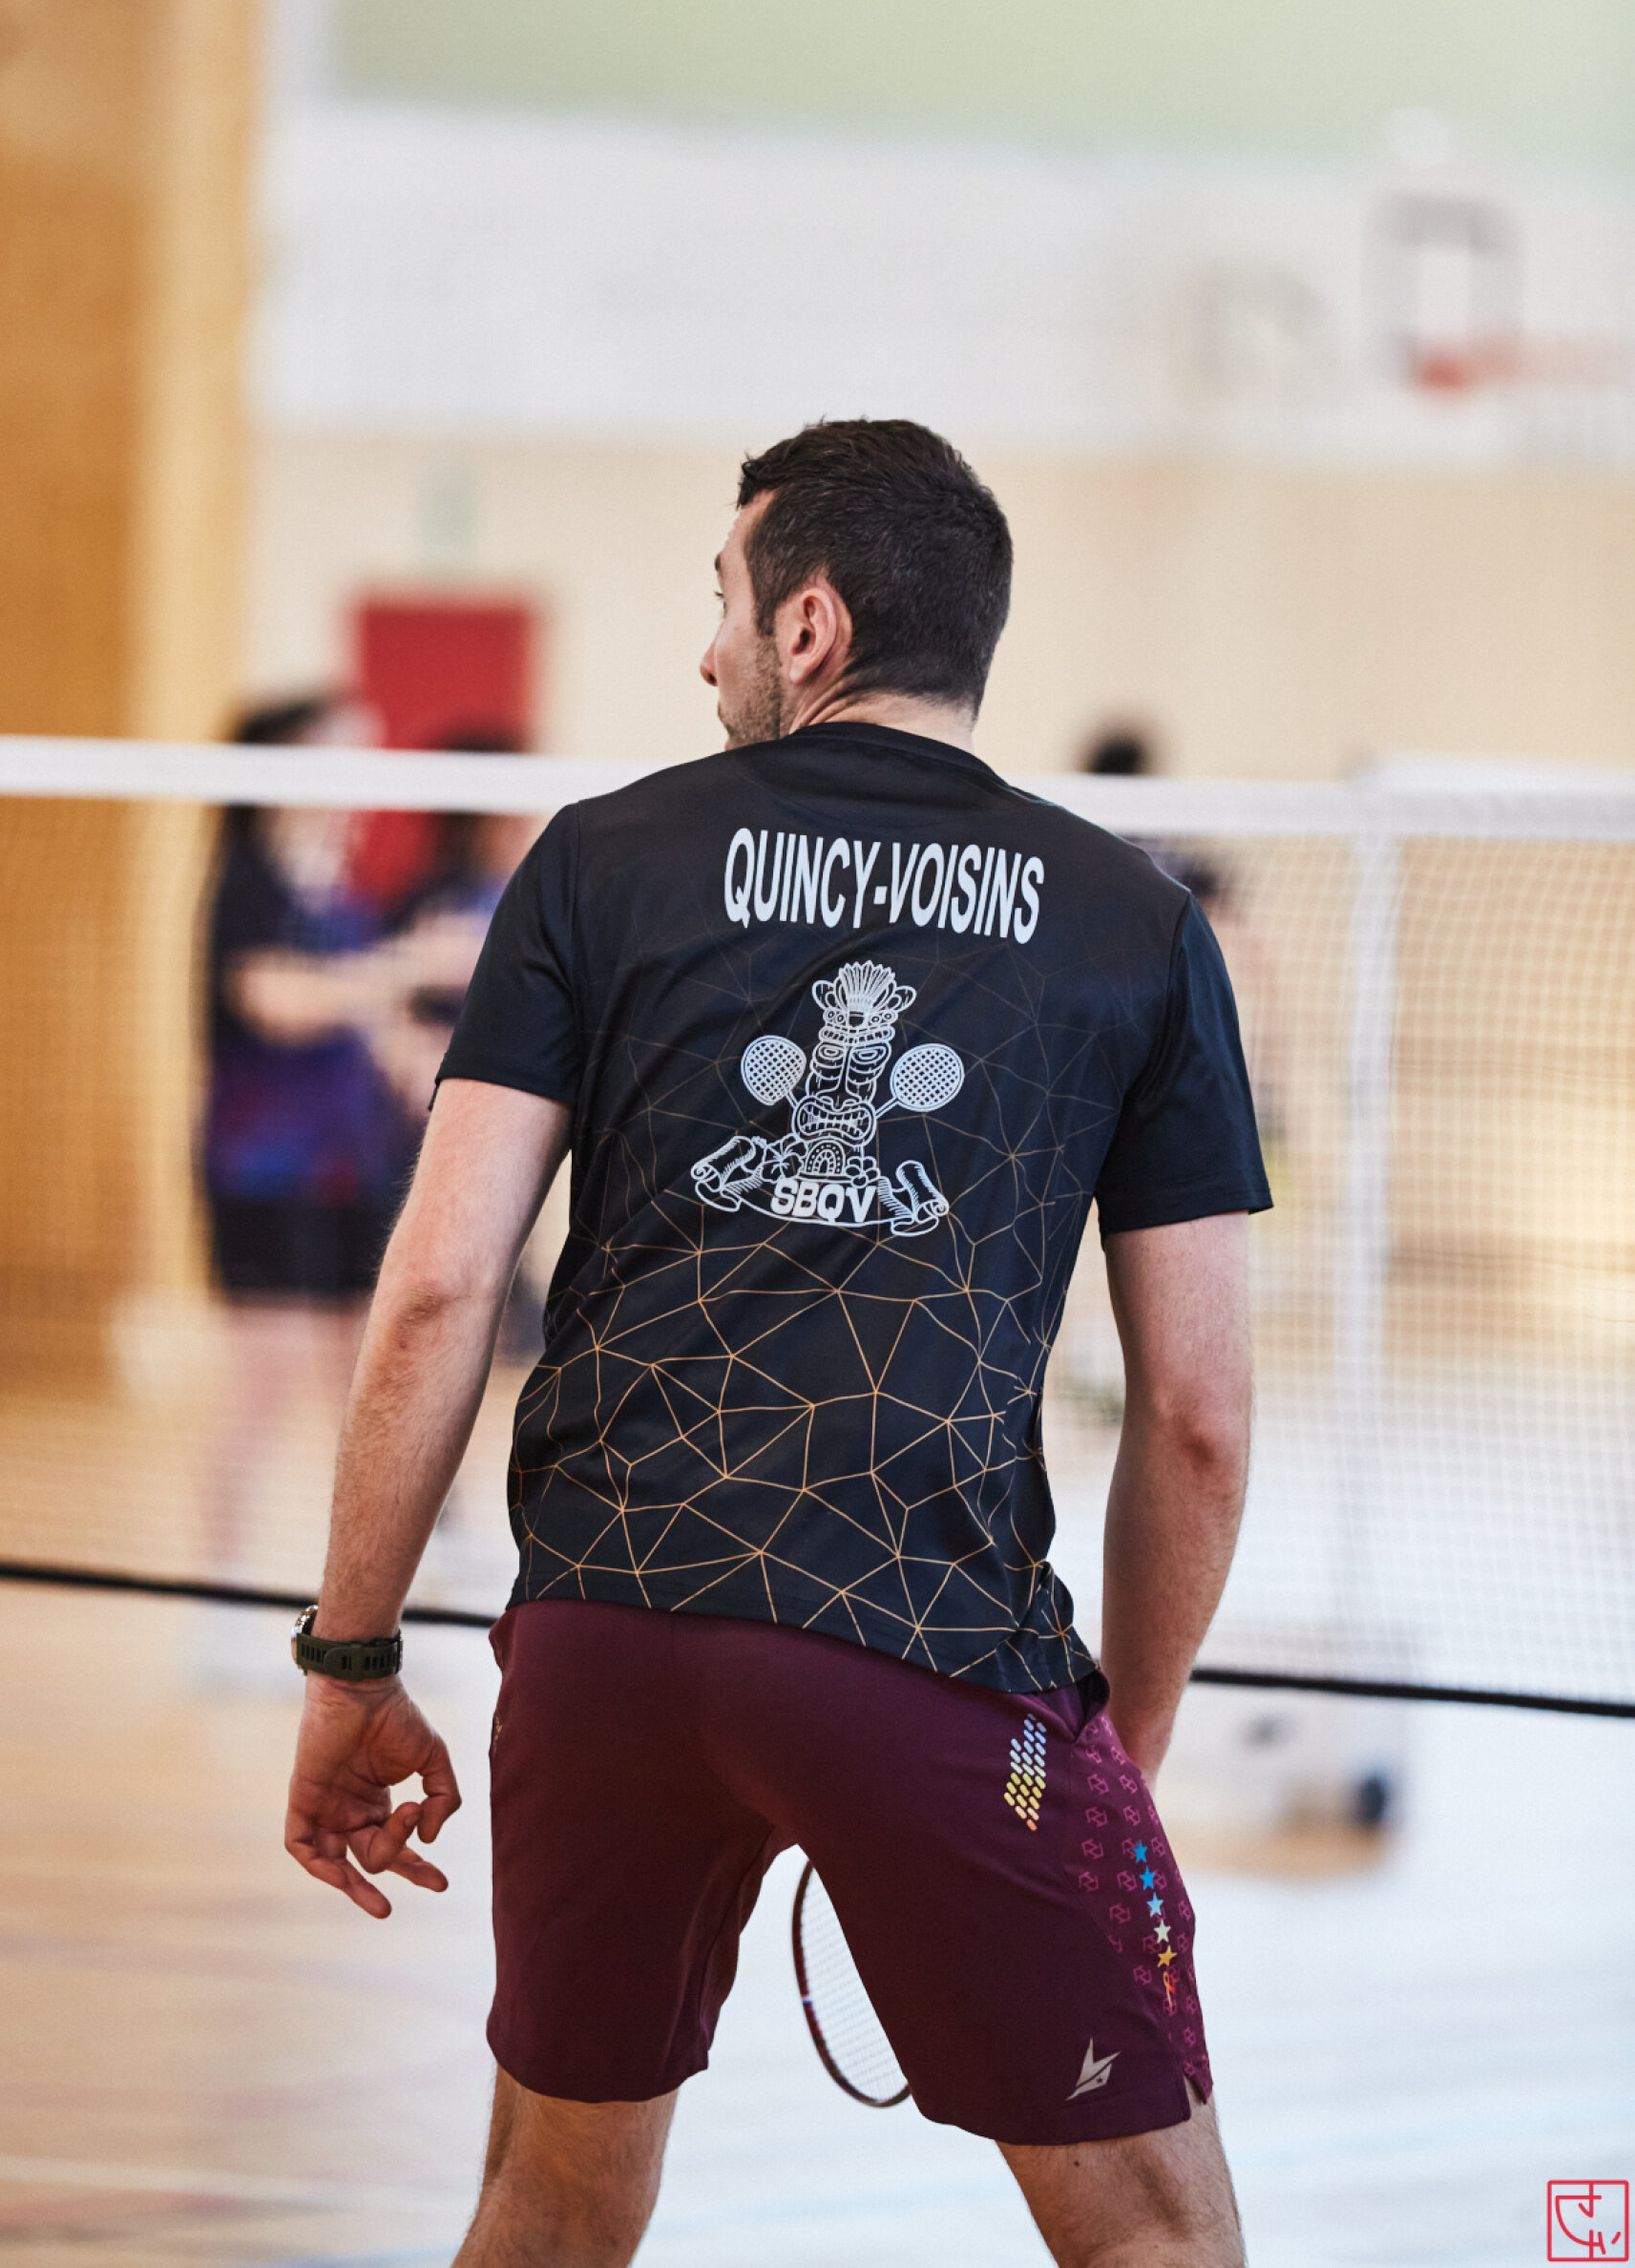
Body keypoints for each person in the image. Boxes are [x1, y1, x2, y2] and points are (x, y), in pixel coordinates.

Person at [283, 422, 1268, 2268]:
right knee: (1156, 2237)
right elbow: (1199, 1416)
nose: (707, 650)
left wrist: (349, 1660)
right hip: (932, 1656)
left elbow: (433, 1291)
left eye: (723, 602)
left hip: (601, 1639)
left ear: (811, 624)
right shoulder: (1137, 924)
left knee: (544, 2210)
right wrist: (1114, 1755)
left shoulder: (596, 862)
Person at [198, 694, 430, 1641]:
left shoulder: (340, 889)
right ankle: (218, 1606)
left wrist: (425, 1061)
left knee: (368, 1390)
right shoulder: (248, 882)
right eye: (341, 756)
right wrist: (410, 961)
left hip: (349, 1167)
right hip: (261, 1170)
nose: (358, 781)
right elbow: (276, 999)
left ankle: (370, 1613)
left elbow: (361, 1016)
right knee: (266, 1385)